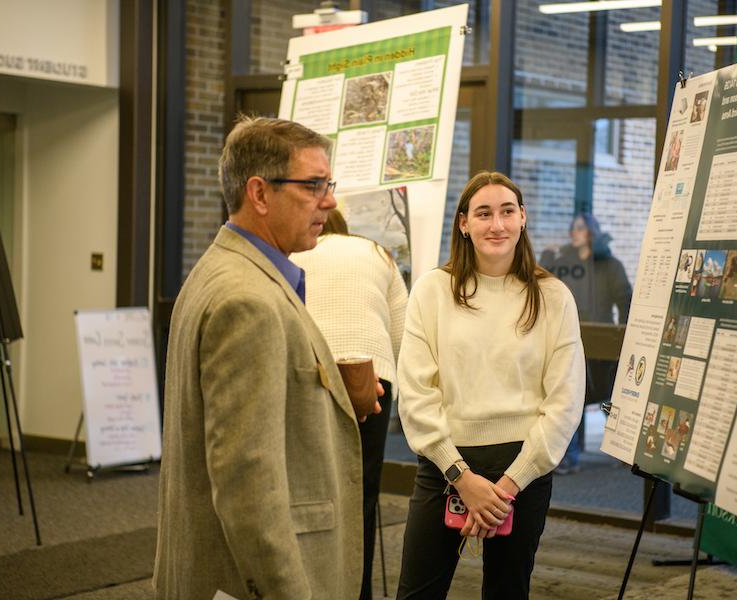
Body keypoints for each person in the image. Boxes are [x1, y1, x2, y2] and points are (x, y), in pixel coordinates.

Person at [154, 116, 372, 599]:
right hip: (253, 580)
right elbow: (246, 484)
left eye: (328, 184)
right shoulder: (247, 301)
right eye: (313, 185)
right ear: (259, 193)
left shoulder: (226, 270)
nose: (330, 201)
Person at [396, 171, 586, 599]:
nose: (496, 224)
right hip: (446, 466)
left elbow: (565, 402)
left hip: (524, 469)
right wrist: (462, 478)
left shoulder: (553, 297)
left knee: (507, 592)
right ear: (464, 223)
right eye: (483, 213)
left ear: (523, 218)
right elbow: (416, 393)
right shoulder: (432, 291)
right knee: (417, 592)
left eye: (506, 212)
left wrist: (507, 486)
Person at [291, 209, 408, 600]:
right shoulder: (377, 253)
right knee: (362, 493)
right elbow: (401, 334)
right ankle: (358, 592)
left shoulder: (294, 254)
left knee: (311, 489)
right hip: (372, 375)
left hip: (312, 372)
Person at [540, 213, 632, 474]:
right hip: (571, 338)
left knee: (606, 396)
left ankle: (625, 445)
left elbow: (625, 299)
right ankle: (569, 456)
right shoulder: (565, 263)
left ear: (591, 232)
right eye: (572, 228)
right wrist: (547, 258)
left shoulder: (609, 265)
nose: (574, 232)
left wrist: (623, 333)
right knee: (573, 396)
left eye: (580, 228)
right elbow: (542, 285)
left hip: (601, 342)